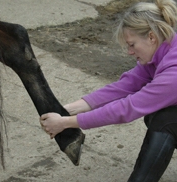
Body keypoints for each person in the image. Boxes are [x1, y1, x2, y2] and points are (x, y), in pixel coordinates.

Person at [40, 0, 177, 181]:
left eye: (132, 44)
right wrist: (67, 110)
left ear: (151, 37)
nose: (129, 52)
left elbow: (126, 109)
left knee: (164, 121)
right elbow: (124, 86)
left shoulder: (174, 72)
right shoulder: (163, 49)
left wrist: (66, 123)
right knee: (156, 117)